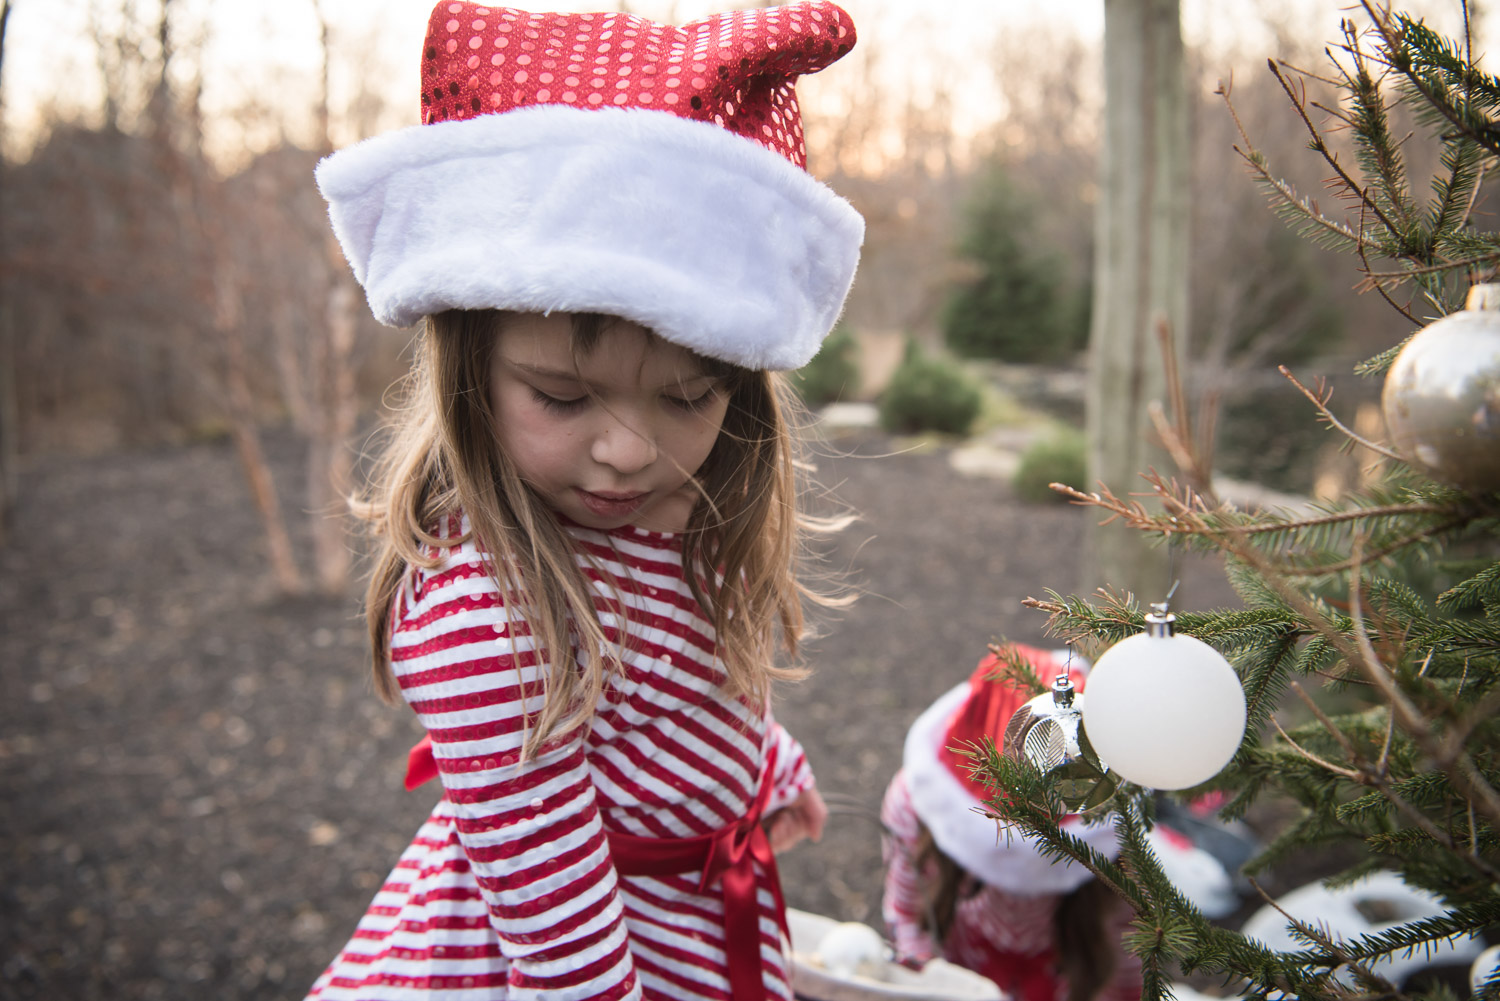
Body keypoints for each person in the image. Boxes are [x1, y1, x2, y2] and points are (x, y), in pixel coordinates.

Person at [304, 3, 864, 999]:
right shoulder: (489, 614)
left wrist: (767, 770)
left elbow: (687, 688)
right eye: (562, 396)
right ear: (469, 367)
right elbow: (563, 947)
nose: (627, 449)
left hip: (689, 924)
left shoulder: (672, 517)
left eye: (687, 396)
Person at [881, 646, 1143, 1001]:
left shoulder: (1117, 851)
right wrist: (931, 982)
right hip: (950, 970)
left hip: (1066, 976)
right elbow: (905, 915)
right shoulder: (913, 807)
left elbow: (1126, 951)